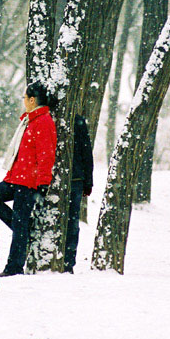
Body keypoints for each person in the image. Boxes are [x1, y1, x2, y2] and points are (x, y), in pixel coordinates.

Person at [0, 81, 57, 277]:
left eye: (24, 98)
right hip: (14, 178)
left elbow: (46, 154)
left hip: (28, 182)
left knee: (20, 226)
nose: (23, 101)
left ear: (32, 99)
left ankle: (14, 267)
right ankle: (24, 228)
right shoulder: (29, 120)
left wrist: (43, 183)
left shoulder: (43, 121)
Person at [64, 113, 94, 273]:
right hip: (76, 177)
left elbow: (86, 151)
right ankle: (68, 262)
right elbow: (87, 152)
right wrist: (88, 181)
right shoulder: (77, 120)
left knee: (71, 222)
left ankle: (67, 261)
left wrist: (88, 181)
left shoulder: (55, 117)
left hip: (73, 178)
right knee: (72, 222)